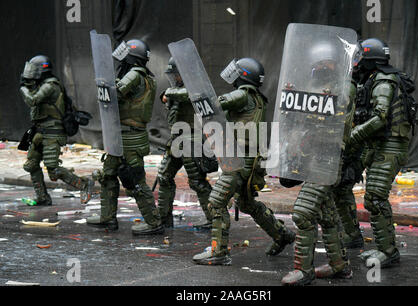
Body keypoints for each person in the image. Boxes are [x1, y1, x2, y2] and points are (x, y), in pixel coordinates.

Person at [193, 58, 295, 266]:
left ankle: (218, 251)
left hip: (239, 162)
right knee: (248, 204)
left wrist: (198, 98)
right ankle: (281, 234)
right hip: (248, 161)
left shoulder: (243, 94)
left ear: (244, 76)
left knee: (216, 203)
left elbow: (216, 104)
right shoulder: (256, 97)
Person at [281, 41, 357, 286]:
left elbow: (337, 122)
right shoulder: (311, 87)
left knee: (303, 212)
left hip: (328, 158)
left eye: (327, 62)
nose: (323, 66)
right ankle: (339, 265)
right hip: (309, 156)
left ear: (336, 63)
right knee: (327, 215)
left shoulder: (345, 87)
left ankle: (303, 270)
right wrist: (290, 101)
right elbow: (296, 121)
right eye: (319, 62)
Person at [348, 38, 417, 268]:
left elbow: (380, 118)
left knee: (375, 198)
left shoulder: (384, 81)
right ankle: (384, 248)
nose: (357, 62)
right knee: (374, 199)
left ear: (370, 59)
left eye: (360, 57)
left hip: (390, 146)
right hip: (381, 145)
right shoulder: (374, 79)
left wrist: (353, 136)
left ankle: (388, 251)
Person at [86, 39, 163, 235]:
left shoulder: (135, 74)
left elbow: (115, 93)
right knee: (108, 176)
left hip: (130, 138)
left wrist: (104, 85)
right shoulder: (146, 76)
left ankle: (154, 222)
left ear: (130, 57)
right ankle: (107, 217)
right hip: (121, 136)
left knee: (135, 181)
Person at [19, 55, 94, 206]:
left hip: (53, 132)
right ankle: (42, 197)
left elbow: (32, 100)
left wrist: (23, 89)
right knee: (31, 165)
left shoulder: (51, 85)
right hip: (40, 131)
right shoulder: (41, 84)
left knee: (53, 170)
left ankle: (84, 184)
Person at [158, 57, 216, 229]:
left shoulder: (198, 85)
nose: (175, 78)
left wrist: (168, 93)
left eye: (177, 75)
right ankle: (163, 218)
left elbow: (188, 94)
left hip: (192, 140)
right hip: (178, 139)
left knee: (197, 182)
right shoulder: (177, 89)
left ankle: (214, 218)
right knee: (164, 176)